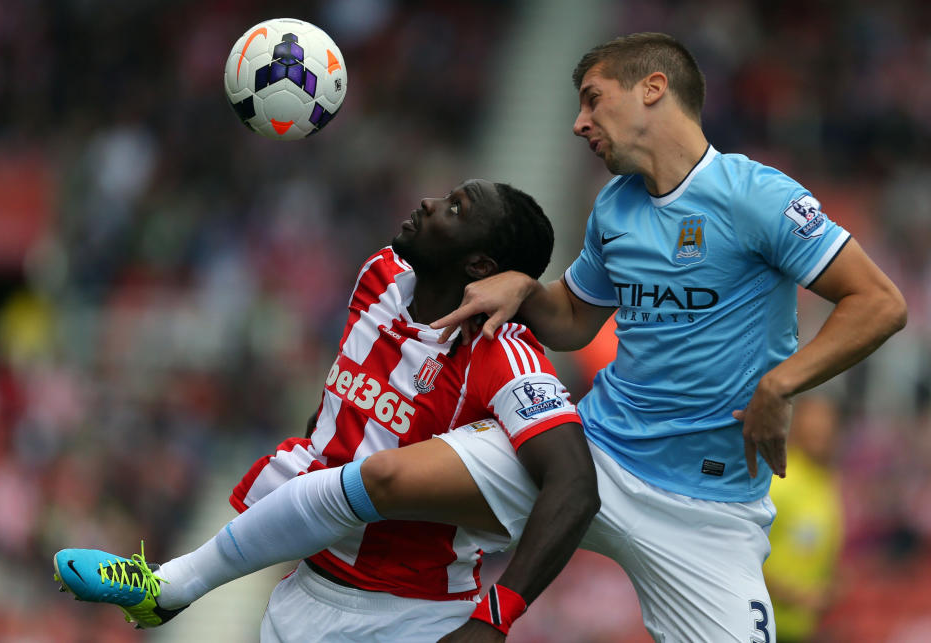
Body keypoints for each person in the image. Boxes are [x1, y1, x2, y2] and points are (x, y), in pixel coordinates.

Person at [56, 32, 908, 641]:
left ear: (654, 89)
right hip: (606, 449)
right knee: (381, 472)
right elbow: (575, 321)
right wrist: (523, 288)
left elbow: (878, 302)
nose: (579, 122)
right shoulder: (614, 209)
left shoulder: (757, 195)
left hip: (710, 514)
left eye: (593, 98)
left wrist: (780, 383)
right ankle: (170, 584)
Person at [53, 179, 600, 642]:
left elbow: (575, 483)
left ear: (480, 263)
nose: (431, 204)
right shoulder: (380, 275)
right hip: (304, 593)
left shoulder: (503, 353)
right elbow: (341, 399)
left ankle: (168, 587)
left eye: (456, 209)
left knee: (370, 477)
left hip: (411, 615)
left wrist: (494, 618)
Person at [763, 394, 845, 643]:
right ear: (796, 426)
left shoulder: (826, 483)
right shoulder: (779, 480)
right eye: (814, 423)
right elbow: (738, 554)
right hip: (762, 626)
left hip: (801, 631)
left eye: (827, 424)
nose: (821, 431)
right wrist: (798, 596)